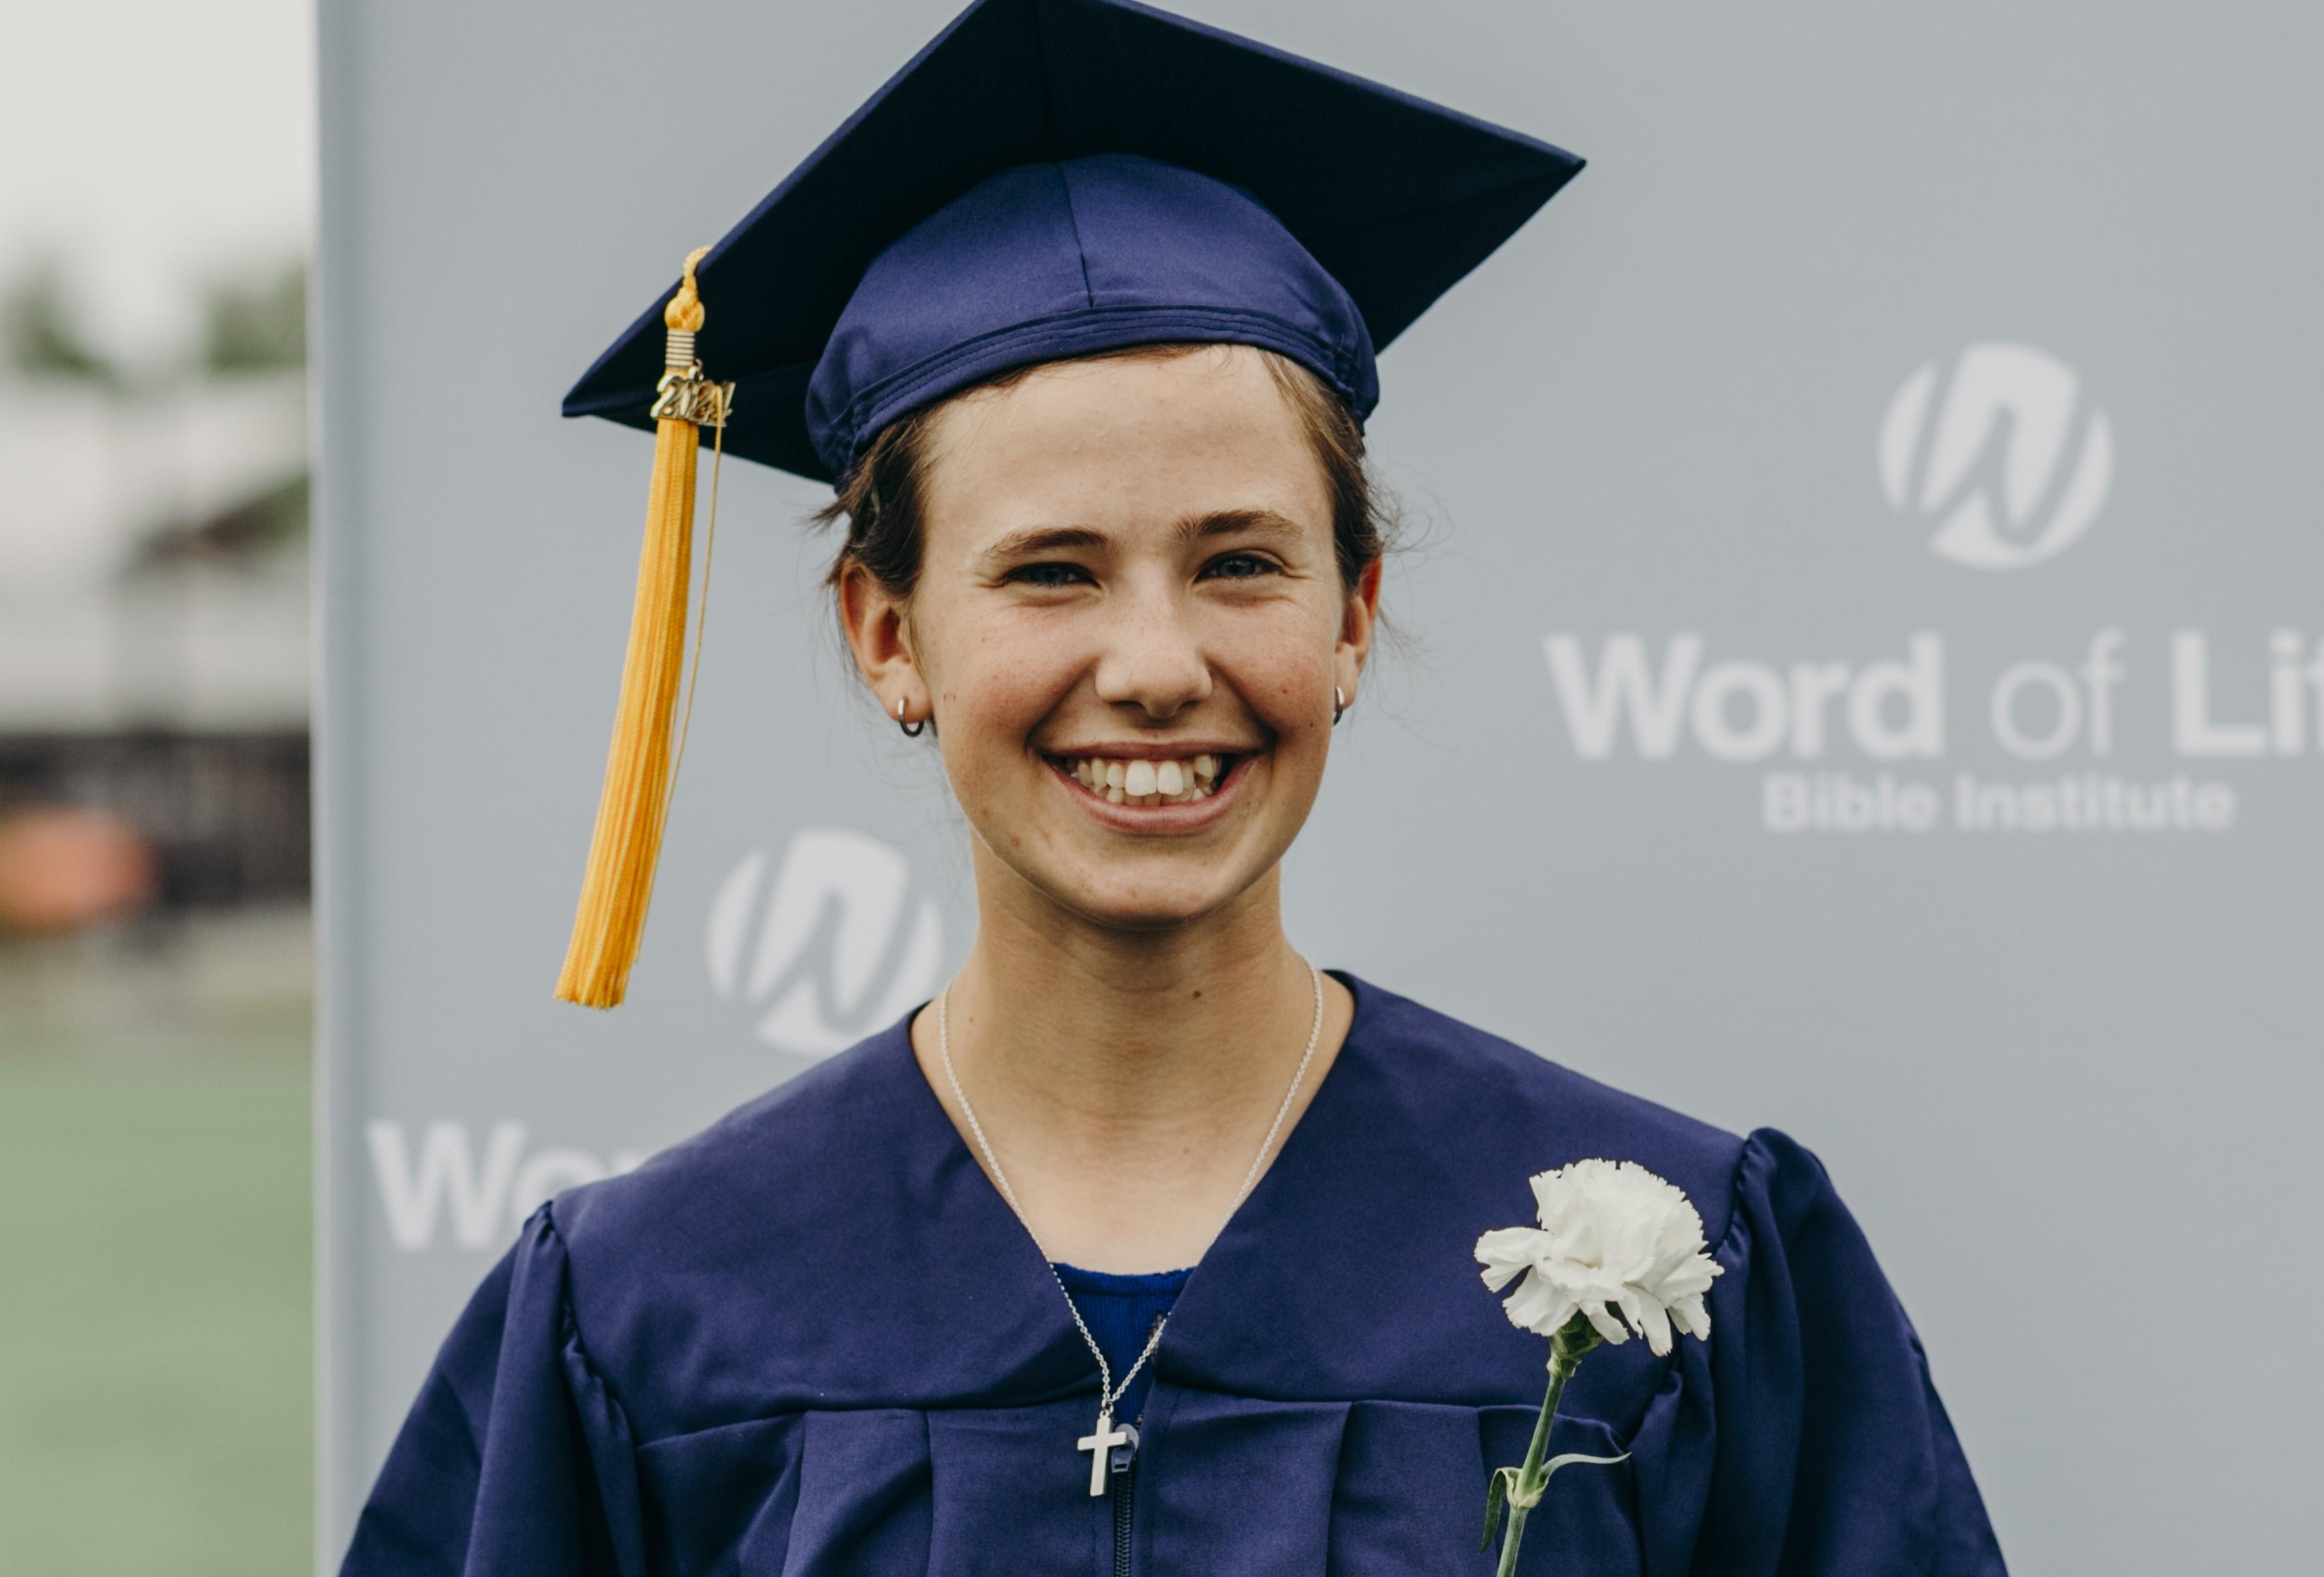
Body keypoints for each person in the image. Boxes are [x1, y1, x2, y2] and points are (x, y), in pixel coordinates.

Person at [342, 1, 2007, 1571]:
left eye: (1238, 563)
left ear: (1352, 613)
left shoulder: (1684, 1274)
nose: (1153, 664)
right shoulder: (652, 1313)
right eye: (1050, 571)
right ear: (887, 634)